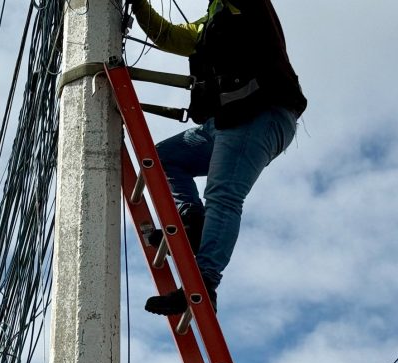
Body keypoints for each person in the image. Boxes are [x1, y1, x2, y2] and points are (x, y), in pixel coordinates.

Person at [130, 0, 307, 315]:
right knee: (165, 159)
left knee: (223, 194)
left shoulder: (247, 6)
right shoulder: (206, 24)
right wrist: (139, 5)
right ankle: (193, 222)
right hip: (228, 121)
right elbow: (167, 35)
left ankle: (204, 284)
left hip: (261, 112)